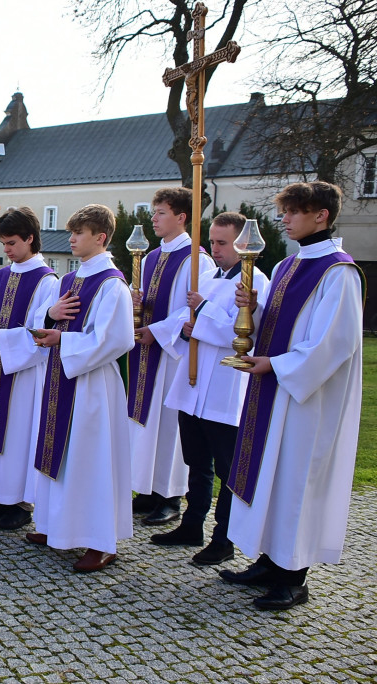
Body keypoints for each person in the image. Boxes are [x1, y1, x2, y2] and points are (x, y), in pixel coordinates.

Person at [221, 181, 363, 610]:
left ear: (320, 214)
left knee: (296, 482)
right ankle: (268, 561)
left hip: (307, 401)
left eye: (292, 211)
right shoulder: (288, 266)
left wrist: (275, 365)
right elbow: (281, 323)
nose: (283, 219)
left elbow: (333, 343)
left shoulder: (339, 272)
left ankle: (293, 576)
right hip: (274, 392)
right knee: (270, 476)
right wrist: (255, 309)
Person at [153, 213, 269, 564]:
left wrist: (200, 313)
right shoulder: (204, 276)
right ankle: (192, 524)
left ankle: (224, 538)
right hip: (193, 384)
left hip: (225, 388)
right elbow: (182, 321)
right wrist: (180, 329)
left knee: (227, 467)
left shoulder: (254, 284)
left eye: (223, 243)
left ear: (242, 246)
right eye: (214, 242)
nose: (215, 249)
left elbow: (241, 334)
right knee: (196, 461)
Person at [26, 204, 135, 572]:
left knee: (91, 460)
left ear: (100, 237)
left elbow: (116, 340)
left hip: (92, 386)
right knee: (61, 455)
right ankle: (55, 525)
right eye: (71, 231)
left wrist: (63, 342)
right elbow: (43, 318)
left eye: (79, 232)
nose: (70, 238)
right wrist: (47, 321)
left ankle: (100, 540)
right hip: (60, 379)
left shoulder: (112, 285)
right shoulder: (70, 280)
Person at [0, 207, 58, 531]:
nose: (6, 250)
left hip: (23, 375)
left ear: (30, 238)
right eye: (3, 243)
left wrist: (1, 338)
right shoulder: (1, 276)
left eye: (11, 243)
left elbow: (41, 333)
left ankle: (20, 503)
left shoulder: (47, 281)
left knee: (18, 435)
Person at [128, 187, 214, 525]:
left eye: (161, 212)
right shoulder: (149, 257)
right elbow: (145, 299)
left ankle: (171, 495)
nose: (154, 218)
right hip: (144, 353)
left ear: (181, 217)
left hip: (172, 356)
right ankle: (146, 489)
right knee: (144, 422)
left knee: (168, 427)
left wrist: (158, 331)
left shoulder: (196, 259)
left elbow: (193, 309)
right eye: (154, 212)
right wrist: (135, 305)